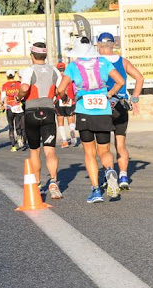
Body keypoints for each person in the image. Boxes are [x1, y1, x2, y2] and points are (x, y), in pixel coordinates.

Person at [57, 37, 125, 203]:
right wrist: (108, 94)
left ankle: (96, 191)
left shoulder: (73, 66)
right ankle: (109, 171)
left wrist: (64, 97)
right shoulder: (103, 62)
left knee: (89, 153)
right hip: (103, 110)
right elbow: (120, 81)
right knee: (104, 150)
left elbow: (60, 89)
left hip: (84, 111)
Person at [98, 32, 144, 190]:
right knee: (121, 143)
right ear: (113, 45)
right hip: (121, 105)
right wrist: (135, 98)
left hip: (103, 106)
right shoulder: (123, 61)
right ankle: (123, 175)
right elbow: (139, 77)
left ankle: (109, 174)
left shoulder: (97, 62)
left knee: (104, 146)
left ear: (98, 45)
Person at [19, 43, 62, 199]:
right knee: (50, 150)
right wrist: (59, 96)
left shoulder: (29, 70)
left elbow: (24, 88)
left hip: (31, 112)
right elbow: (62, 88)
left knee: (34, 150)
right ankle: (53, 182)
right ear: (46, 56)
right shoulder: (54, 70)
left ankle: (37, 184)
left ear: (32, 55)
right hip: (49, 111)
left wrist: (19, 97)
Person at [55, 62, 78, 148]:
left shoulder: (56, 78)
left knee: (60, 121)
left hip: (59, 100)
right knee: (70, 119)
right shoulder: (70, 77)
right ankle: (72, 135)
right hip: (70, 100)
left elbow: (56, 91)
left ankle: (64, 140)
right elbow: (75, 89)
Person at [1, 70, 25, 151]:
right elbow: (23, 95)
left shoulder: (5, 85)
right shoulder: (19, 84)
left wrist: (2, 103)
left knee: (11, 126)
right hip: (18, 106)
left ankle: (13, 147)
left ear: (7, 76)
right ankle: (19, 137)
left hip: (9, 107)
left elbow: (2, 97)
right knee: (18, 124)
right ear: (14, 76)